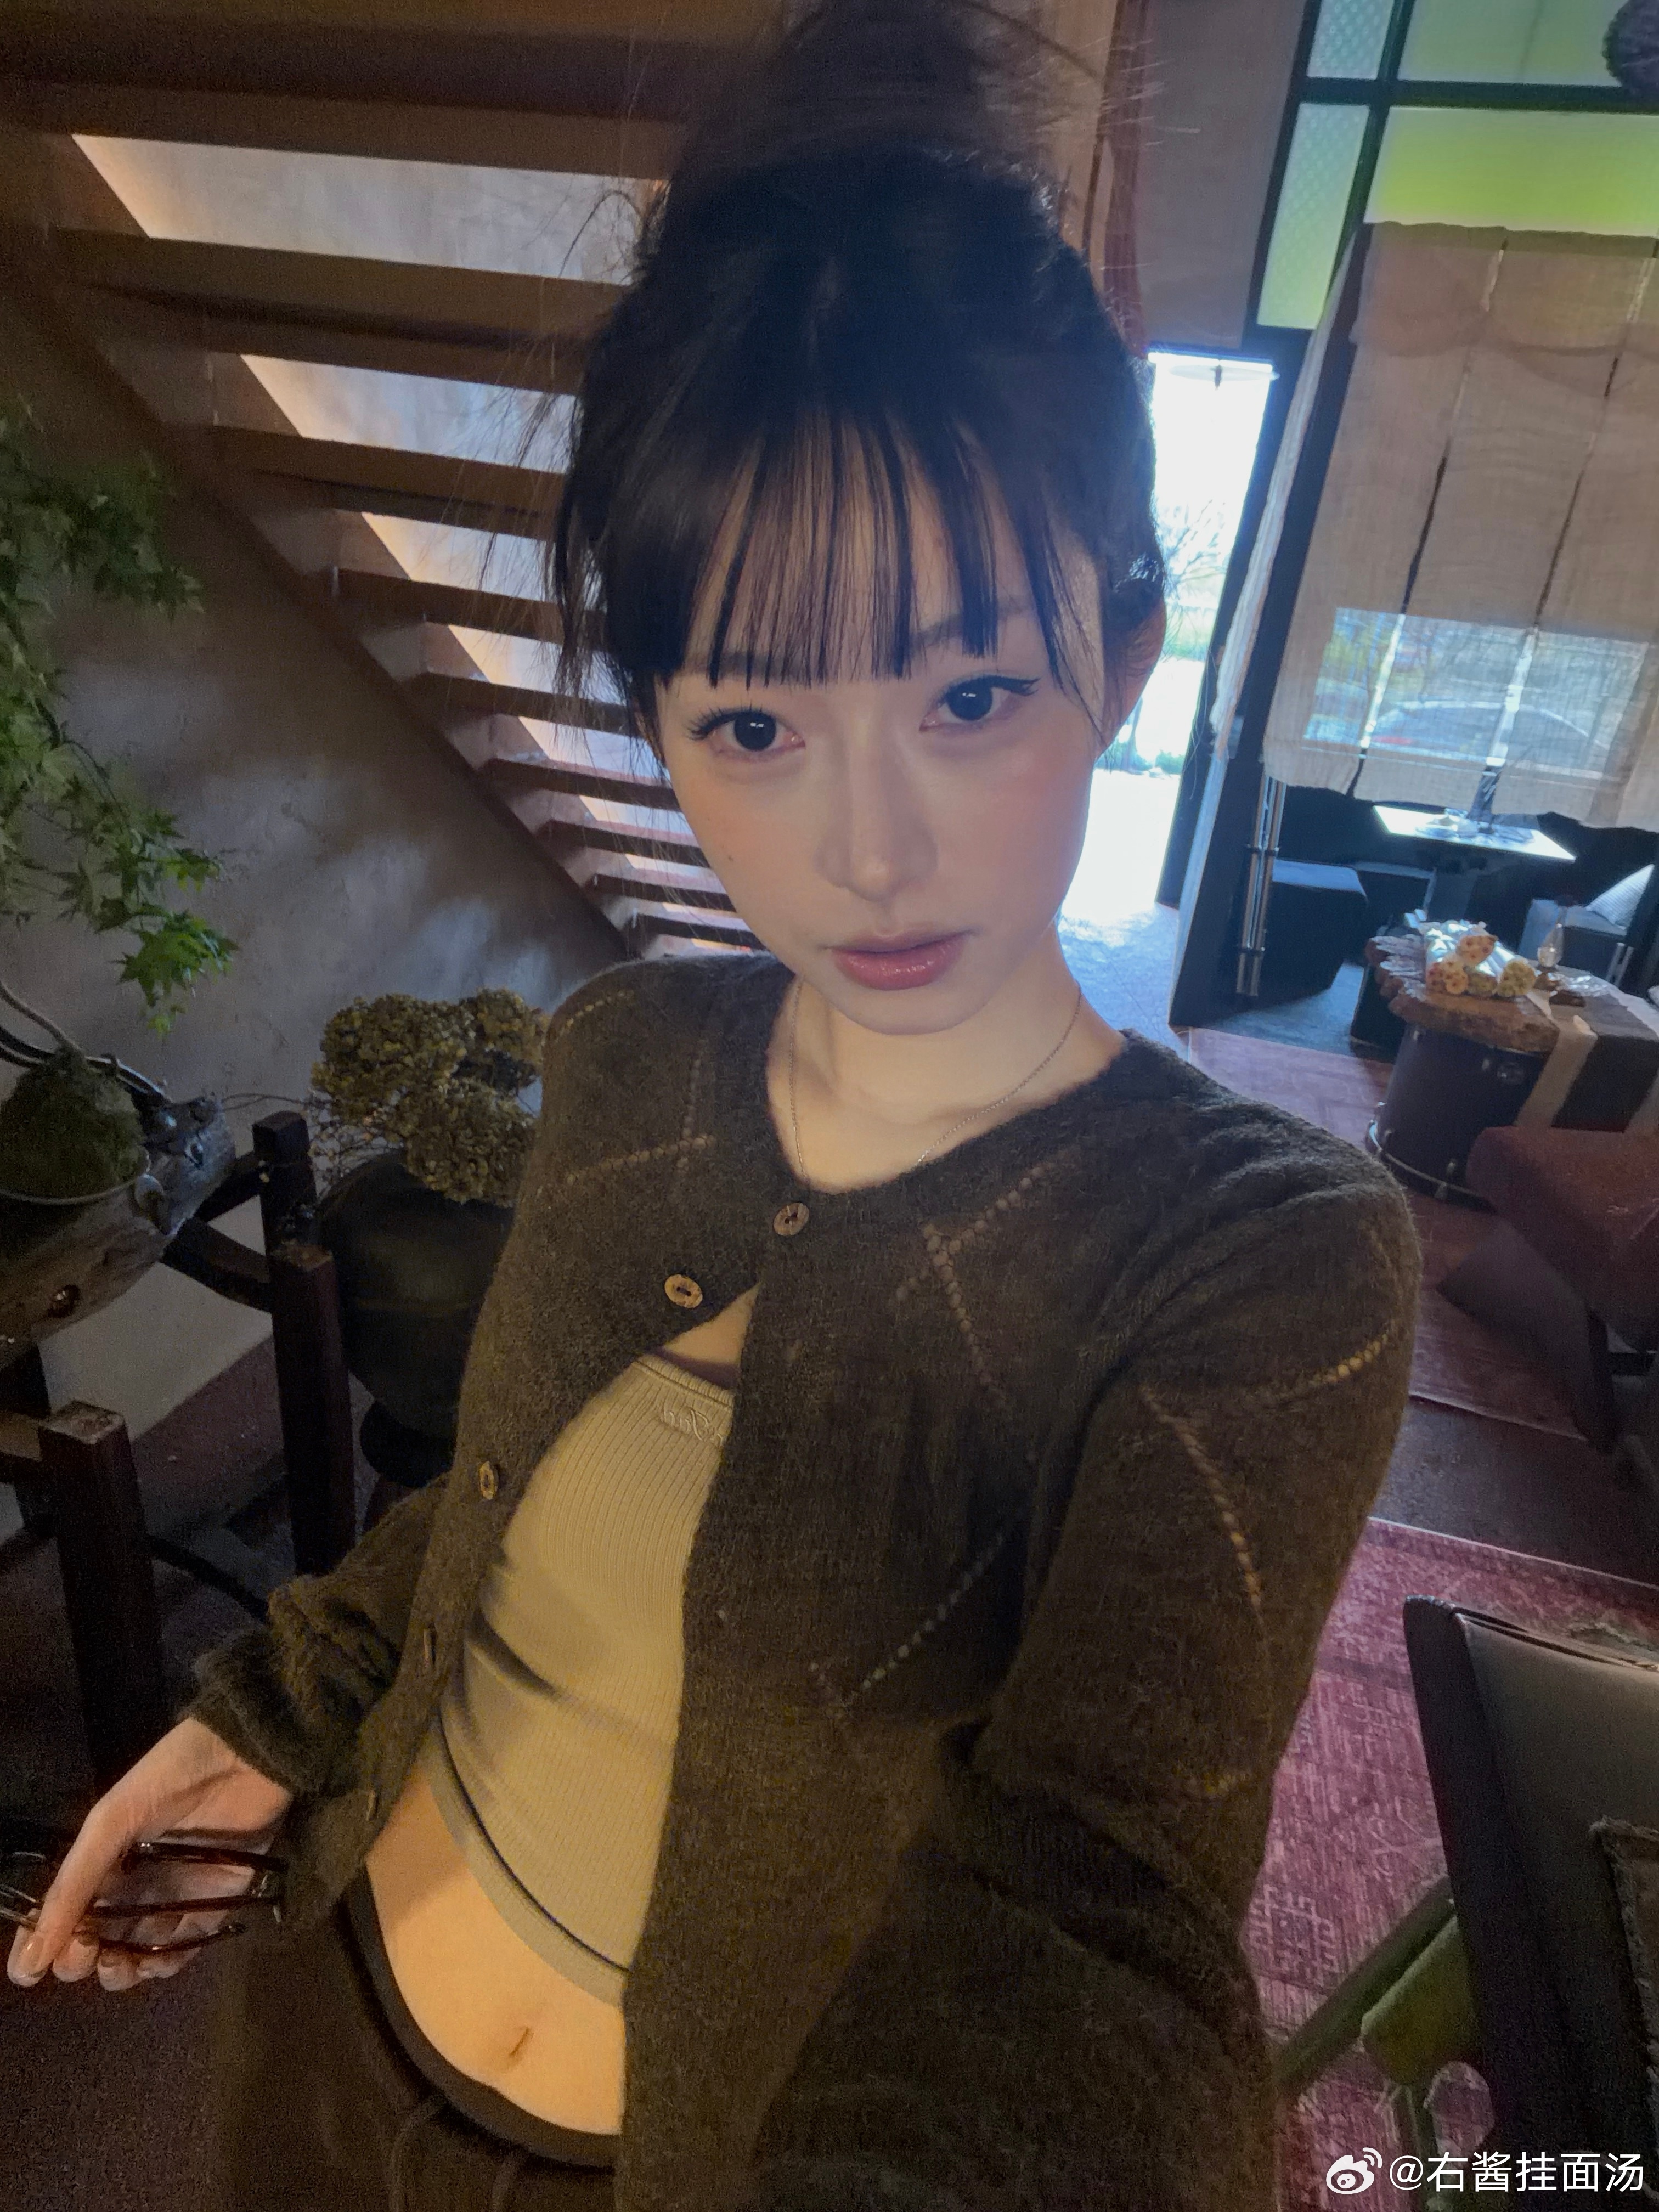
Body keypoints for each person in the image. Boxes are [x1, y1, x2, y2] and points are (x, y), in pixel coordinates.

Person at [7, 3, 1421, 2207]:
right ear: (655, 717)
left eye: (971, 693)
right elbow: (496, 1502)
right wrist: (264, 1716)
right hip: (320, 2020)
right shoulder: (637, 1055)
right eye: (753, 727)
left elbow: (1100, 1903)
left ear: (1127, 655)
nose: (869, 852)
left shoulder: (1260, 1260)